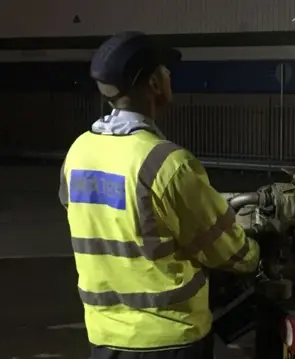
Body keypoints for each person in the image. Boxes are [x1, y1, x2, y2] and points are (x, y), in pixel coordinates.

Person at [57, 31, 261, 359]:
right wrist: (255, 251)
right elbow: (229, 252)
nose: (170, 76)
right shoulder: (166, 164)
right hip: (170, 339)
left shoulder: (78, 152)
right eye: (166, 70)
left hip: (104, 337)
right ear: (154, 83)